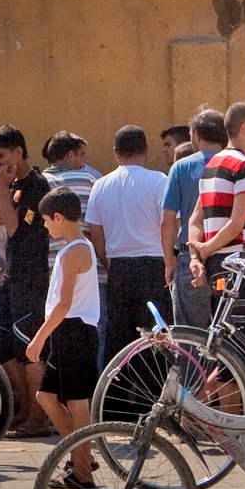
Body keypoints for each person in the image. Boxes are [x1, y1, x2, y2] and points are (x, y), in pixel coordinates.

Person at [22, 190, 100, 487]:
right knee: (46, 396)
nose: (45, 226)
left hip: (75, 330)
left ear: (58, 217)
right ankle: (82, 455)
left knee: (77, 401)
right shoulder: (76, 248)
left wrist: (39, 338)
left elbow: (64, 303)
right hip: (67, 331)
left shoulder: (76, 250)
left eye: (46, 220)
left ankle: (82, 471)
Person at [0, 126, 53, 438]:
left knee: (29, 349)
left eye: (1, 157)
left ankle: (39, 418)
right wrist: (0, 192)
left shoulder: (37, 186)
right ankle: (25, 409)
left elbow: (16, 230)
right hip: (11, 275)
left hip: (31, 277)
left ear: (19, 151)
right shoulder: (11, 186)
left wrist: (0, 190)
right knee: (0, 343)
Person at [85, 124, 169, 355]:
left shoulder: (100, 186)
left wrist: (108, 263)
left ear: (115, 151)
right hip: (154, 266)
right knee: (155, 337)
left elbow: (96, 235)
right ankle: (153, 390)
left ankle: (117, 390)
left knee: (118, 339)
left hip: (118, 268)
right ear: (145, 150)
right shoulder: (159, 180)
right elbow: (169, 224)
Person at [187, 101, 245, 303]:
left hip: (216, 267)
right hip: (238, 263)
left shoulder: (213, 164)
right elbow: (236, 224)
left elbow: (195, 220)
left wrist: (196, 257)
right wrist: (205, 250)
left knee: (225, 328)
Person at [161, 109, 226, 327]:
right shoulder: (237, 165)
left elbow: (167, 220)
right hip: (228, 258)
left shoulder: (181, 167)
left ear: (196, 135)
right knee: (229, 332)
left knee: (190, 335)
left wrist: (169, 261)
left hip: (191, 257)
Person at [41, 131, 99, 203]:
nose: (83, 161)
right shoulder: (89, 180)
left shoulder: (41, 182)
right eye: (81, 155)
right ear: (71, 155)